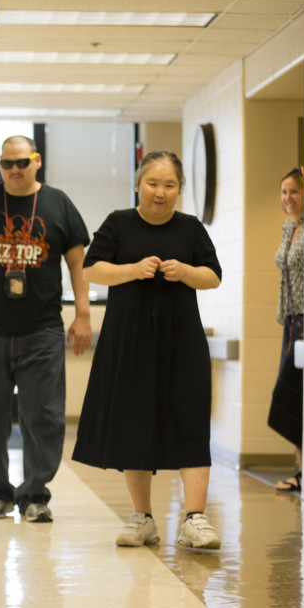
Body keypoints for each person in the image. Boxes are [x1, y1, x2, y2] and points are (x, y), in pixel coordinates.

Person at [72, 150, 223, 549]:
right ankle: (143, 518)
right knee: (134, 421)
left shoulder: (190, 228)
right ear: (138, 184)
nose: (160, 192)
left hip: (182, 340)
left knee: (190, 421)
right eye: (153, 184)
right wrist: (133, 270)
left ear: (179, 189)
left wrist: (187, 273)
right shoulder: (119, 223)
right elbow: (92, 269)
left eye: (169, 185)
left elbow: (213, 276)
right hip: (131, 339)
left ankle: (195, 519)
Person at [0, 135, 91, 523]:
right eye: (7, 164)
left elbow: (79, 264)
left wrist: (82, 314)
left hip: (42, 330)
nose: (15, 170)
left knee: (43, 415)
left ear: (36, 161)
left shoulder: (58, 203)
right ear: (0, 166)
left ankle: (34, 495)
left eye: (22, 163)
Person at [268, 167, 304, 492]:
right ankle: (301, 468)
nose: (288, 198)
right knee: (291, 396)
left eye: (294, 191)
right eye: (284, 192)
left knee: (290, 393)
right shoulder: (287, 227)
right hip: (290, 318)